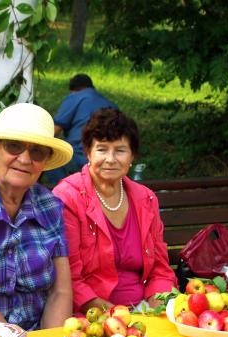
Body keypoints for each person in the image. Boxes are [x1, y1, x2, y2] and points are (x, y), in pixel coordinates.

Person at [0, 103, 74, 331]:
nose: (25, 159)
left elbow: (61, 290)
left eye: (37, 151)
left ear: (45, 161)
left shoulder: (50, 205)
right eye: (14, 146)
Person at [53, 108, 177, 312]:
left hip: (145, 309)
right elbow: (71, 279)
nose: (111, 159)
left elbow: (160, 269)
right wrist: (118, 316)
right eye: (102, 149)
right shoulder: (68, 197)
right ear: (88, 153)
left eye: (120, 150)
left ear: (132, 156)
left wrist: (159, 309)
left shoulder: (146, 198)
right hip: (90, 315)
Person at [43, 74, 118, 184]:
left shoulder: (76, 97)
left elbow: (54, 129)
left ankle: (61, 192)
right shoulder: (111, 105)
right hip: (107, 158)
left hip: (80, 154)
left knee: (51, 154)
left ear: (73, 90)